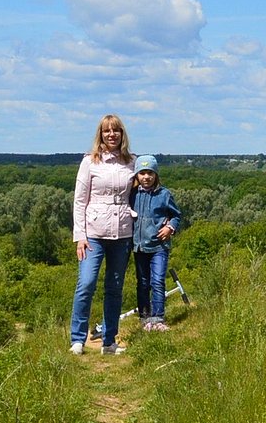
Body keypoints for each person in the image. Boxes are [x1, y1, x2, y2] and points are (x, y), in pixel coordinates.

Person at [70, 114, 136, 355]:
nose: (111, 135)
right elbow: (79, 201)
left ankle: (109, 341)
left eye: (116, 131)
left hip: (122, 233)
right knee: (86, 283)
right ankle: (78, 339)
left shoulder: (131, 162)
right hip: (93, 233)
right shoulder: (90, 162)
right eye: (107, 131)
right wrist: (80, 235)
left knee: (114, 287)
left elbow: (143, 192)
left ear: (122, 134)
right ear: (100, 135)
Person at [130, 154, 182, 331]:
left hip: (159, 246)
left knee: (158, 281)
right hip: (139, 246)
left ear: (156, 175)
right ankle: (145, 318)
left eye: (150, 173)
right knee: (142, 282)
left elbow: (176, 215)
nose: (146, 177)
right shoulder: (132, 194)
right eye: (142, 173)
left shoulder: (164, 194)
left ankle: (158, 318)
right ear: (137, 175)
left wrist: (170, 228)